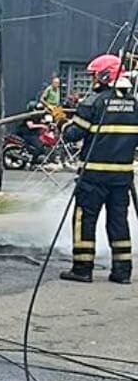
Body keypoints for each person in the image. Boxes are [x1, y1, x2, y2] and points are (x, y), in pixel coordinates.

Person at [60, 54, 135, 284]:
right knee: (118, 221)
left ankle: (82, 269)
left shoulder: (94, 101)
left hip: (93, 176)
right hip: (122, 178)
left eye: (94, 75)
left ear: (104, 76)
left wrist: (61, 120)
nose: (92, 79)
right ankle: (122, 272)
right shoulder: (134, 104)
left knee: (85, 220)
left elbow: (73, 135)